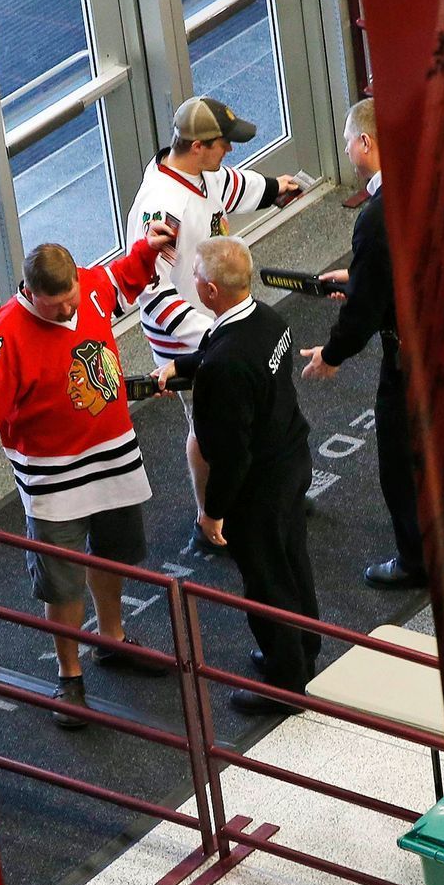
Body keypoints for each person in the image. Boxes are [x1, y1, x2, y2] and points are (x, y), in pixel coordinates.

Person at [0, 227, 178, 728]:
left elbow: (117, 279)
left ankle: (111, 639)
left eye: (71, 301)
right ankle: (69, 676)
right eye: (57, 308)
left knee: (115, 555)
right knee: (62, 583)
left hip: (112, 457)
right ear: (30, 294)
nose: (69, 313)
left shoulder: (87, 288)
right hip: (54, 481)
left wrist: (146, 251)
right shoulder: (4, 334)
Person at [123, 96, 302, 557]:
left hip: (225, 324)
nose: (230, 150)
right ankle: (209, 523)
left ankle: (254, 494)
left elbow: (229, 186)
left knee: (245, 413)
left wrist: (273, 187)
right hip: (191, 338)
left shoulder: (200, 170)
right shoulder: (159, 209)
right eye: (224, 143)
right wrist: (213, 339)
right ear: (199, 145)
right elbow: (150, 293)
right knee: (208, 431)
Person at [170, 237, 320, 714]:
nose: (192, 280)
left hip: (260, 487)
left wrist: (212, 513)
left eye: (195, 275)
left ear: (211, 290)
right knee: (293, 559)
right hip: (291, 458)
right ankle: (304, 648)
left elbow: (231, 457)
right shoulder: (268, 319)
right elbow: (234, 353)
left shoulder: (224, 365)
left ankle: (285, 681)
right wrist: (183, 366)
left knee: (266, 579)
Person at [299, 98, 426, 590]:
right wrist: (360, 275)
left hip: (408, 360)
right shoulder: (424, 184)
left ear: (366, 142)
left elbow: (364, 313)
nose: (348, 150)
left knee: (401, 461)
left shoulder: (375, 218)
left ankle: (416, 560)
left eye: (350, 141)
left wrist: (331, 355)